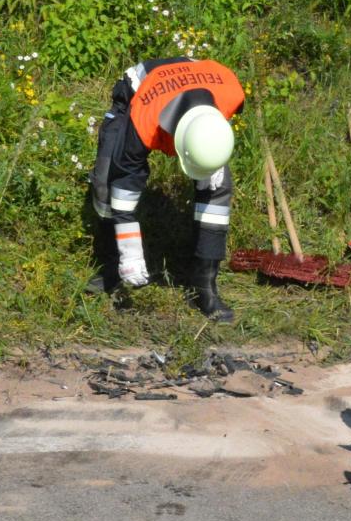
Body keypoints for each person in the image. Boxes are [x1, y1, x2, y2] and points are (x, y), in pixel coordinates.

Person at [87, 57, 245, 322]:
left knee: (218, 187)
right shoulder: (144, 119)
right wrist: (130, 251)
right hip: (138, 91)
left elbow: (218, 124)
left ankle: (204, 286)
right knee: (107, 179)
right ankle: (111, 265)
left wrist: (211, 158)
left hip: (197, 89)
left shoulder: (232, 92)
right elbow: (126, 178)